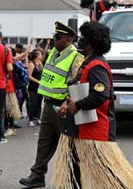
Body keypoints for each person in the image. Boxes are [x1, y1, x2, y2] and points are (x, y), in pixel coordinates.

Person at [51, 21, 133, 189]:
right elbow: (79, 89)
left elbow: (99, 96)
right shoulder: (87, 62)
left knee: (108, 174)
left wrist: (78, 105)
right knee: (75, 169)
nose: (79, 41)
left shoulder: (97, 66)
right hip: (80, 130)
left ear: (92, 43)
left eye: (83, 38)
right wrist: (68, 103)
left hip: (94, 132)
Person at [19, 21, 84, 188]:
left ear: (69, 39)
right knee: (44, 142)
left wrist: (66, 102)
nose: (55, 40)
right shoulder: (55, 52)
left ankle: (72, 179)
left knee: (68, 145)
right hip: (48, 105)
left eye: (58, 37)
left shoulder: (76, 57)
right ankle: (37, 175)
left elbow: (77, 84)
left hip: (63, 107)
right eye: (54, 37)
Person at [0, 31, 13, 143]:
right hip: (1, 84)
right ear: (1, 38)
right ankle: (0, 136)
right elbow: (9, 68)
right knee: (0, 110)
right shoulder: (5, 50)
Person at [27, 49, 43, 127]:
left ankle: (38, 118)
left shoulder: (40, 64)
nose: (41, 55)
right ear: (37, 56)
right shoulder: (31, 64)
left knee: (39, 103)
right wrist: (37, 81)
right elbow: (29, 76)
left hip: (40, 87)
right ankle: (31, 119)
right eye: (40, 54)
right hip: (33, 87)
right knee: (33, 103)